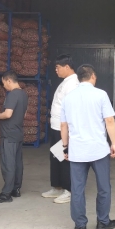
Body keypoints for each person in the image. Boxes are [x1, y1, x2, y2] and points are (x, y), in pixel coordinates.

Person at [60, 64, 115, 229]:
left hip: (77, 151)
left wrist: (65, 147)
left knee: (77, 189)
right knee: (104, 187)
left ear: (79, 78)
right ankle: (103, 222)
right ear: (92, 76)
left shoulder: (68, 98)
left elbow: (63, 125)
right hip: (98, 150)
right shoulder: (101, 95)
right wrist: (114, 143)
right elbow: (109, 120)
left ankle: (80, 226)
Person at [41, 55, 79, 204]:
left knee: (65, 158)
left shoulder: (73, 84)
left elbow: (72, 109)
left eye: (58, 67)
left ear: (67, 67)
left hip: (64, 129)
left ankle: (69, 190)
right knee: (56, 157)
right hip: (56, 127)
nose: (56, 70)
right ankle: (57, 186)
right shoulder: (65, 82)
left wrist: (67, 131)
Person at [0, 70, 29, 204]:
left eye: (4, 83)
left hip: (9, 134)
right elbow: (23, 114)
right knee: (17, 162)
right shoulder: (23, 94)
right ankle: (16, 189)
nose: (4, 86)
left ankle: (6, 193)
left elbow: (7, 114)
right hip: (17, 132)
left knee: (8, 164)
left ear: (9, 81)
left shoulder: (12, 94)